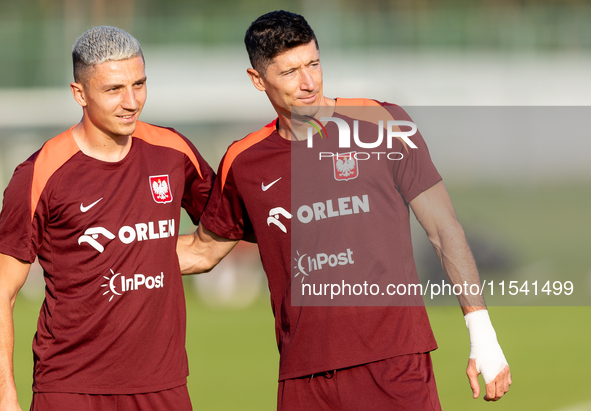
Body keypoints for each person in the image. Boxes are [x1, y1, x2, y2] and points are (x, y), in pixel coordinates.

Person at [177, 10, 511, 410]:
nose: (309, 83)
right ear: (257, 80)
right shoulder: (244, 161)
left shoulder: (382, 122)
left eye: (313, 64)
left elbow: (443, 227)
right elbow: (203, 251)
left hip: (395, 365)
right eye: (290, 72)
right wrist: (109, 251)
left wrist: (483, 335)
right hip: (304, 376)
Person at [0, 26, 214, 410]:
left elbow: (225, 221)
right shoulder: (39, 173)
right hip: (70, 389)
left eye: (139, 84)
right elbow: (3, 291)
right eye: (114, 89)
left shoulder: (172, 151)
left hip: (162, 388)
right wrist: (5, 396)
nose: (131, 101)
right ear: (79, 94)